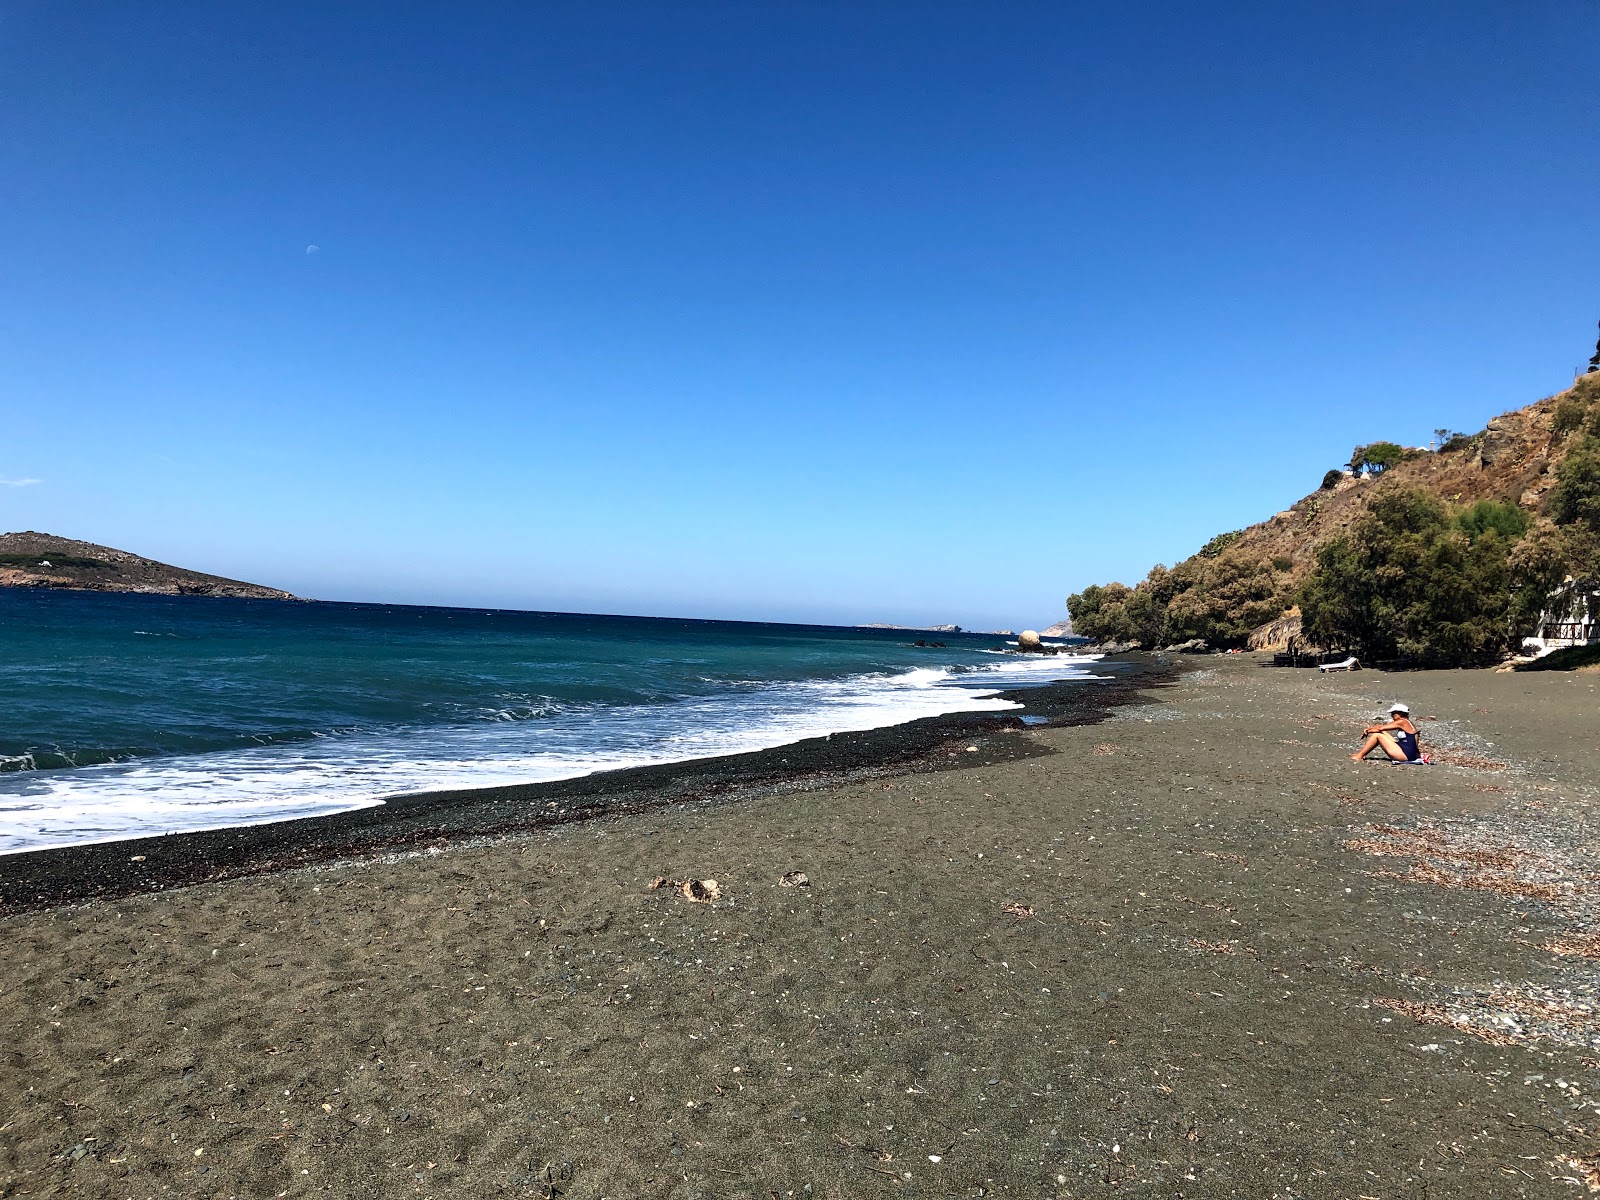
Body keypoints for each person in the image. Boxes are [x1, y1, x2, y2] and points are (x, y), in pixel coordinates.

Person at [1351, 703, 1423, 763]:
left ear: (1400, 713)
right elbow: (1383, 728)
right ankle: (1361, 754)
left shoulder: (1402, 722)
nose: (1392, 716)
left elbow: (1381, 728)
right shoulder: (1407, 722)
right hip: (1409, 753)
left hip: (1406, 755)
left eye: (1393, 714)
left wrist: (1368, 730)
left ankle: (1359, 756)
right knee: (1383, 732)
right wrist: (1370, 729)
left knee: (1377, 735)